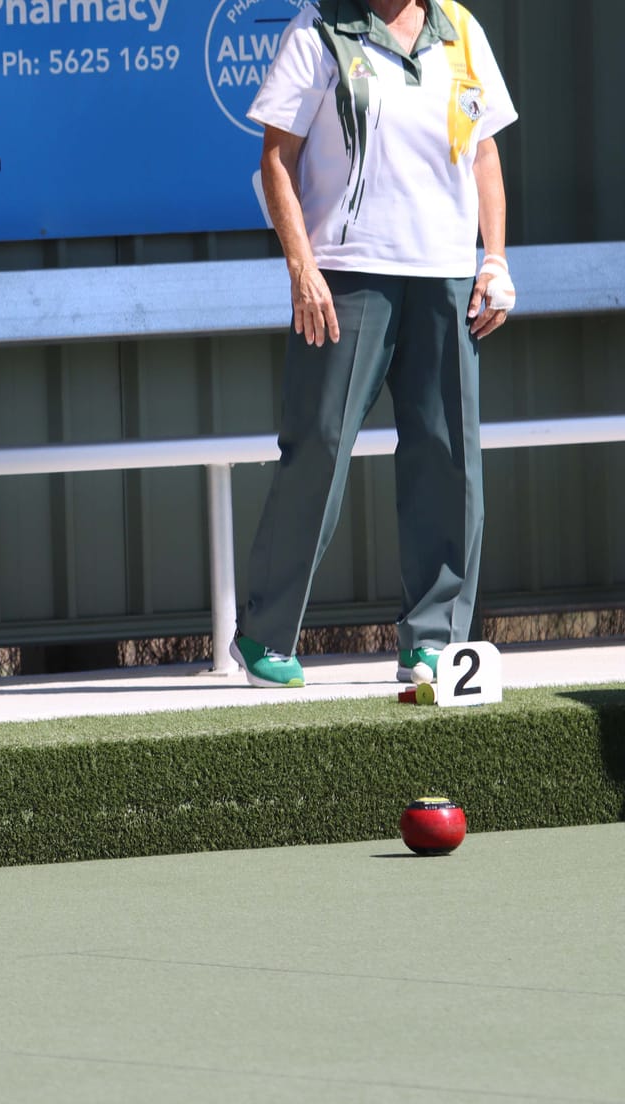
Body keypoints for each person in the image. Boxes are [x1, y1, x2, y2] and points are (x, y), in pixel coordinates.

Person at [233, 0, 516, 689]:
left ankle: (433, 642)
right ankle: (265, 633)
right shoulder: (319, 27)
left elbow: (484, 152)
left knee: (448, 460)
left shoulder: (461, 28)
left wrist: (496, 259)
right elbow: (277, 158)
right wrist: (301, 267)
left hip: (447, 278)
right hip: (346, 274)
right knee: (319, 447)